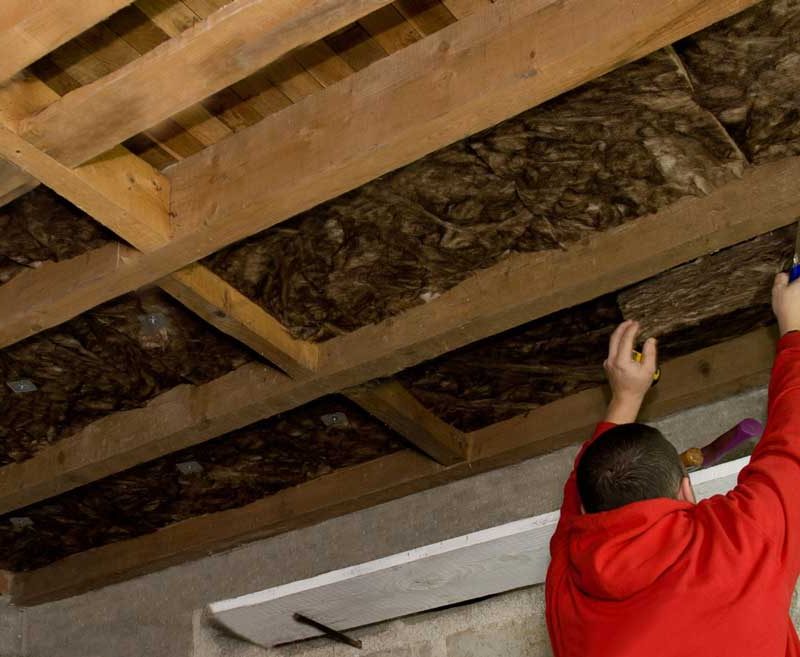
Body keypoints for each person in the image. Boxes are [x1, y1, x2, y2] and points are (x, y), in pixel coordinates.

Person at [545, 272, 800, 657]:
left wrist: (625, 399)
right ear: (686, 488)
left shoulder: (569, 594)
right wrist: (793, 329)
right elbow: (791, 445)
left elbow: (576, 507)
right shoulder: (740, 543)